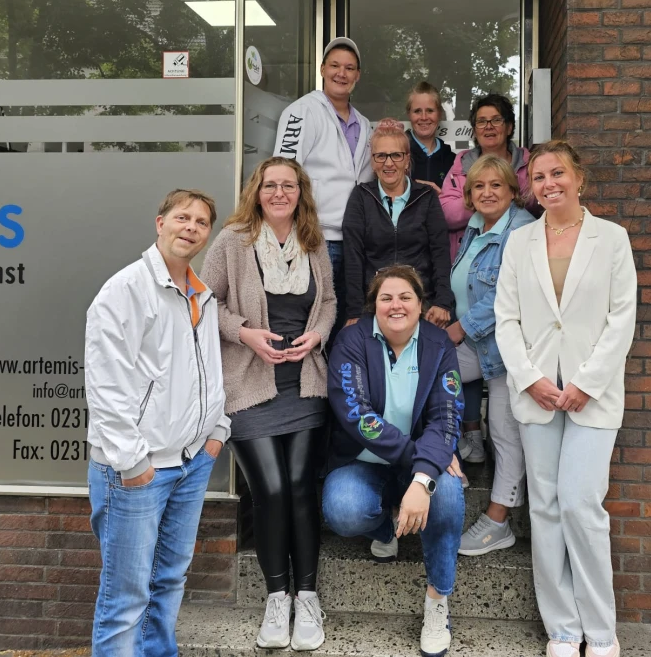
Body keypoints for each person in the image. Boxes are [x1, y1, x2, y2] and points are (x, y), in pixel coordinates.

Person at [494, 140, 637, 657]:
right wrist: (529, 378)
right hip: (537, 395)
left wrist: (586, 382)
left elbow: (622, 319)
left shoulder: (612, 239)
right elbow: (506, 319)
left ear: (579, 178)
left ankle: (600, 632)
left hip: (591, 397)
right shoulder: (519, 242)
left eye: (557, 173)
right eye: (538, 177)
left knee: (580, 504)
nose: (548, 184)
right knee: (546, 508)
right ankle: (562, 629)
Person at [84, 188, 230, 657]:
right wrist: (132, 462)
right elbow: (105, 384)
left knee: (168, 582)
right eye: (183, 217)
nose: (191, 228)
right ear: (160, 223)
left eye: (201, 222)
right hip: (137, 471)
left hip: (190, 464)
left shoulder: (202, 294)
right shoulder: (125, 290)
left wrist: (217, 429)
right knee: (125, 598)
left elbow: (208, 368)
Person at [200, 157, 336, 651]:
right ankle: (277, 597)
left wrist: (317, 336)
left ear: (301, 192)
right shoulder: (232, 241)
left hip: (304, 384)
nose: (279, 193)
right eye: (270, 185)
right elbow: (204, 301)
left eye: (288, 185)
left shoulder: (313, 241)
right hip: (249, 385)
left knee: (300, 487)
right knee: (272, 489)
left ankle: (308, 597)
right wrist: (245, 333)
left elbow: (328, 302)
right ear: (257, 191)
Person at [321, 265, 466, 657]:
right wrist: (423, 458)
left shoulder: (438, 343)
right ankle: (388, 529)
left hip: (423, 460)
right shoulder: (351, 340)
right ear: (374, 305)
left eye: (405, 297)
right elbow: (356, 414)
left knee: (447, 496)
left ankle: (437, 601)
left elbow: (447, 415)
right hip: (365, 461)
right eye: (386, 298)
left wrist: (424, 476)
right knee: (343, 509)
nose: (396, 305)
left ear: (420, 305)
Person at [444, 155, 535, 554]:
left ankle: (499, 521)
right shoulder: (476, 226)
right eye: (478, 186)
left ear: (513, 191)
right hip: (477, 345)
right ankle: (447, 459)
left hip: (507, 349)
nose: (487, 193)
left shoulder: (522, 230)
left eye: (496, 185)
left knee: (503, 429)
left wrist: (460, 328)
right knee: (424, 374)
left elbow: (507, 293)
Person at [274, 37, 371, 341]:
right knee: (312, 323)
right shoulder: (302, 112)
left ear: (358, 75)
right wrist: (288, 234)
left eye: (349, 68)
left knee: (344, 323)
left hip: (353, 241)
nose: (342, 73)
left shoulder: (364, 124)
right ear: (322, 69)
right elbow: (283, 173)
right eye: (335, 66)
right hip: (314, 238)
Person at [341, 119, 454, 328]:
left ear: (407, 159)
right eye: (381, 156)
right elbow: (353, 257)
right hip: (374, 305)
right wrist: (355, 312)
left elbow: (440, 252)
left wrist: (443, 302)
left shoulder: (426, 196)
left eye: (396, 155)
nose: (388, 163)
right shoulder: (361, 197)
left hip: (421, 303)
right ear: (372, 161)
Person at [439, 93, 534, 259]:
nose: (488, 127)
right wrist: (490, 199)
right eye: (481, 121)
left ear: (509, 127)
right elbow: (446, 213)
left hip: (518, 254)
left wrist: (479, 200)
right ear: (475, 130)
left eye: (496, 120)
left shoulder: (529, 165)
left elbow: (538, 203)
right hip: (469, 256)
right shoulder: (461, 165)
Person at [406, 81, 456, 193]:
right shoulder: (397, 154)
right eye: (417, 111)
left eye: (430, 110)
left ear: (439, 114)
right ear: (409, 114)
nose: (424, 117)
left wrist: (441, 197)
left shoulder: (453, 161)